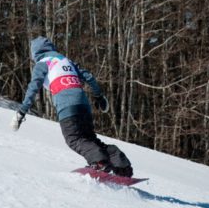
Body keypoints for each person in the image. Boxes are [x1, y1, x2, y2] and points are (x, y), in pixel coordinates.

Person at [11, 36, 133, 177]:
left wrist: (21, 112)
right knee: (89, 139)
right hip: (83, 103)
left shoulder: (43, 63)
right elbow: (89, 77)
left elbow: (33, 87)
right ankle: (121, 164)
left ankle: (99, 162)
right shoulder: (65, 60)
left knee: (73, 138)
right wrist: (99, 97)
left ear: (35, 53)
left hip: (67, 105)